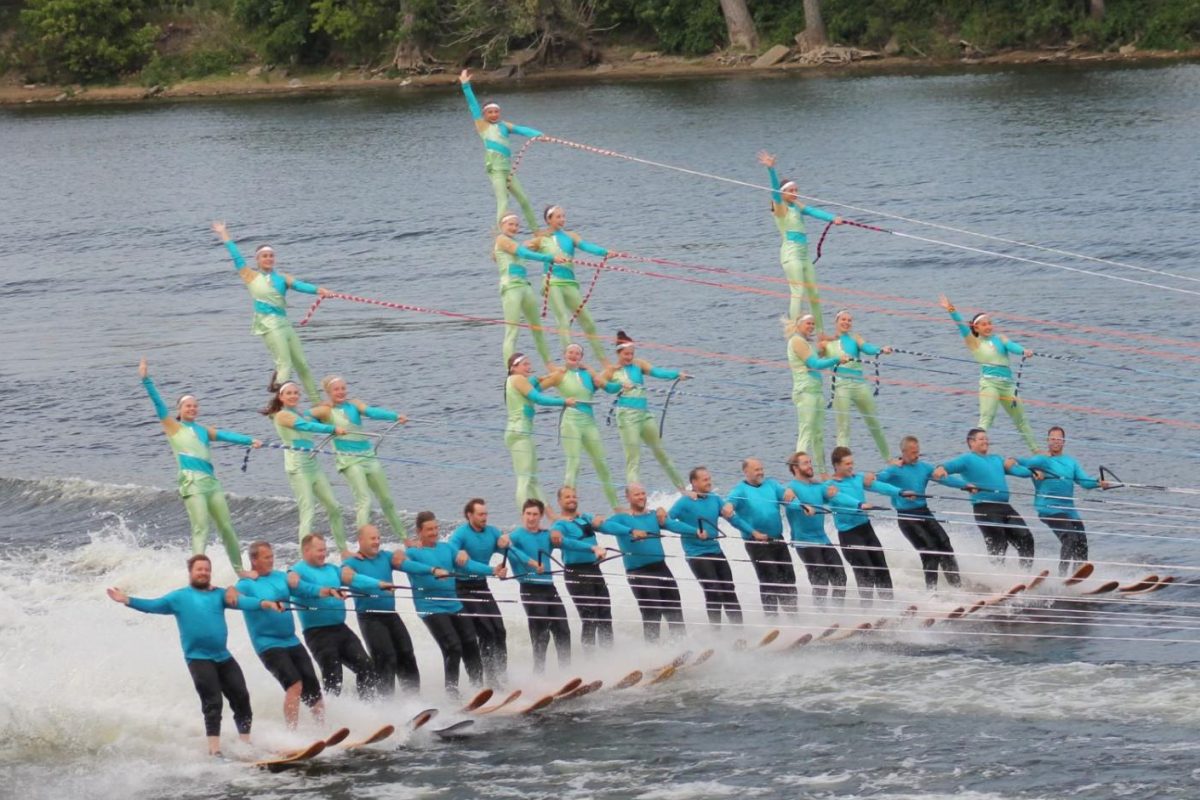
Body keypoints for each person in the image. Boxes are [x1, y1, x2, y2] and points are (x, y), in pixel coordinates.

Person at [107, 554, 279, 756]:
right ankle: (214, 751)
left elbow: (243, 602)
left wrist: (265, 603)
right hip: (198, 659)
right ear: (191, 572)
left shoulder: (219, 595)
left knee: (241, 697)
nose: (203, 573)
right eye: (199, 569)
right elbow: (153, 606)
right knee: (213, 703)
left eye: (207, 569)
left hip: (223, 656)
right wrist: (127, 600)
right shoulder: (178, 597)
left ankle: (245, 744)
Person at [139, 358, 260, 575]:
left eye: (195, 406)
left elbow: (226, 435)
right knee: (201, 528)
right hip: (192, 483)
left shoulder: (203, 430)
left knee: (227, 528)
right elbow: (158, 404)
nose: (192, 408)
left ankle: (240, 570)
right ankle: (196, 574)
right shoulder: (173, 427)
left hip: (212, 484)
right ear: (180, 409)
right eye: (188, 406)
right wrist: (146, 380)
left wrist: (249, 440)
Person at [212, 221, 330, 400]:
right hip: (268, 324)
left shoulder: (282, 277)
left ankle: (316, 402)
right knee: (285, 365)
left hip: (284, 324)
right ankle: (278, 406)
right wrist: (224, 234)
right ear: (258, 260)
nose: (268, 258)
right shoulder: (250, 275)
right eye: (265, 256)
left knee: (302, 364)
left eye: (271, 256)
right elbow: (237, 257)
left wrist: (318, 290)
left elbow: (299, 285)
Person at [236, 541, 338, 729]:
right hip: (268, 644)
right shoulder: (246, 584)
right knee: (295, 684)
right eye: (266, 557)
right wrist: (265, 603)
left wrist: (328, 591)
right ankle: (291, 734)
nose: (271, 560)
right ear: (254, 560)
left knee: (312, 686)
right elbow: (238, 601)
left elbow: (306, 589)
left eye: (272, 556)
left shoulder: (280, 577)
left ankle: (324, 730)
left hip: (291, 640)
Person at [343, 524, 445, 697]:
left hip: (391, 616)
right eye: (372, 538)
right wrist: (377, 584)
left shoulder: (386, 557)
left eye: (378, 538)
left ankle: (413, 700)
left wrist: (432, 570)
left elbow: (408, 565)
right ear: (360, 541)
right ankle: (387, 704)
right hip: (370, 618)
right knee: (386, 658)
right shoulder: (352, 562)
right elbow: (348, 577)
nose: (377, 542)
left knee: (407, 654)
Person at [405, 511, 502, 693]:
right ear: (419, 531)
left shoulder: (447, 548)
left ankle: (478, 690)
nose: (434, 532)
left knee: (471, 644)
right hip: (431, 608)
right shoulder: (412, 552)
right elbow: (405, 565)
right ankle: (452, 693)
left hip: (454, 605)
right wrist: (432, 570)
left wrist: (492, 570)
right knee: (453, 647)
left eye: (435, 528)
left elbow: (468, 565)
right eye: (429, 529)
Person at [311, 376, 409, 539]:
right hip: (349, 460)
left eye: (343, 388)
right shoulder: (325, 409)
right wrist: (330, 428)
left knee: (387, 500)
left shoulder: (354, 404)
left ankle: (404, 538)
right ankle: (363, 542)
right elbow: (306, 418)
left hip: (368, 457)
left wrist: (395, 416)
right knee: (365, 501)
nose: (341, 392)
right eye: (336, 389)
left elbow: (371, 412)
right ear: (328, 392)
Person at [939, 294, 1038, 453]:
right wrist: (951, 309)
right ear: (976, 327)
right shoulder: (974, 342)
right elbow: (961, 326)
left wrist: (1023, 351)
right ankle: (975, 450)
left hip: (1008, 385)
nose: (988, 326)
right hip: (989, 384)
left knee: (1021, 420)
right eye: (984, 324)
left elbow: (1012, 346)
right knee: (987, 419)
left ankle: (1036, 450)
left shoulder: (1001, 338)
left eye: (990, 323)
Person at [288, 533, 383, 698]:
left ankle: (367, 707)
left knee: (367, 666)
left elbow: (355, 579)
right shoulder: (297, 570)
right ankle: (330, 718)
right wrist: (324, 591)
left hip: (341, 629)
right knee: (333, 675)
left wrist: (379, 584)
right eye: (319, 550)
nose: (324, 554)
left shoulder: (331, 569)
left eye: (325, 550)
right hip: (317, 633)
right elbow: (295, 584)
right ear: (306, 550)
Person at [260, 380, 348, 550]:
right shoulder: (282, 415)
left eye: (296, 393)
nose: (294, 396)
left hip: (313, 466)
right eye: (289, 393)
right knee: (308, 511)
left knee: (335, 508)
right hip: (298, 468)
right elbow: (305, 425)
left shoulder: (301, 413)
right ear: (281, 397)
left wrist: (331, 406)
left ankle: (343, 550)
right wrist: (332, 429)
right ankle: (304, 556)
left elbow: (316, 415)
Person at [756, 151, 842, 325]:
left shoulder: (796, 206)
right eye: (791, 191)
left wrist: (833, 218)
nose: (795, 193)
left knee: (814, 294)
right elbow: (774, 192)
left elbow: (813, 211)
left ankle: (820, 332)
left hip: (804, 256)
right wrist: (771, 170)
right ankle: (794, 329)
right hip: (790, 254)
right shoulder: (780, 209)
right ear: (783, 193)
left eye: (796, 190)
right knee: (798, 292)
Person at [598, 330, 689, 491]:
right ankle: (634, 494)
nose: (629, 357)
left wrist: (677, 374)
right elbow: (602, 385)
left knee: (661, 453)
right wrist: (619, 386)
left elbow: (657, 372)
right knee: (633, 459)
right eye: (626, 354)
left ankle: (684, 490)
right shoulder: (612, 370)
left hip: (645, 415)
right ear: (618, 352)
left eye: (631, 354)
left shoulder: (639, 365)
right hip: (627, 417)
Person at [933, 428, 1036, 569]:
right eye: (981, 439)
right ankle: (996, 578)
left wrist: (1033, 472)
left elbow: (1019, 472)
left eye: (986, 438)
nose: (986, 441)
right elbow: (943, 470)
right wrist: (946, 472)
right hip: (985, 507)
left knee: (1026, 538)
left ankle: (1025, 574)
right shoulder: (967, 459)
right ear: (971, 442)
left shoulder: (997, 459)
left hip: (1005, 507)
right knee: (999, 543)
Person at [876, 436, 967, 591]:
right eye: (912, 453)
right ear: (903, 452)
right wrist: (899, 490)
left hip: (924, 512)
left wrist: (966, 485)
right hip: (907, 517)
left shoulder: (924, 467)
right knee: (930, 551)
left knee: (945, 544)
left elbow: (944, 479)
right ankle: (931, 593)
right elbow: (877, 481)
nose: (916, 455)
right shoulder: (894, 469)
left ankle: (957, 588)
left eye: (917, 452)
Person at [1018, 426, 1109, 575]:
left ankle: (1077, 576)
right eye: (1052, 439)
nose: (1056, 442)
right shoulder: (1041, 460)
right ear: (1047, 441)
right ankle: (1062, 576)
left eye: (1059, 439)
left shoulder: (1070, 462)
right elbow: (1018, 461)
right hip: (1049, 508)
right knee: (1070, 538)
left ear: (1064, 441)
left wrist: (1099, 482)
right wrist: (1033, 471)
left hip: (1069, 510)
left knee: (1081, 542)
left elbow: (1084, 481)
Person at [668, 467, 753, 626]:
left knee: (729, 591)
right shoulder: (684, 502)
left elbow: (733, 519)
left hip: (716, 551)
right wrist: (694, 531)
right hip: (697, 554)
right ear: (694, 482)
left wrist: (753, 532)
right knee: (713, 592)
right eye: (705, 479)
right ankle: (716, 634)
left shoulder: (714, 498)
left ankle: (740, 632)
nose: (709, 482)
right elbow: (666, 522)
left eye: (709, 478)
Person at [539, 343, 621, 510]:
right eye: (570, 352)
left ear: (581, 358)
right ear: (564, 354)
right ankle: (567, 508)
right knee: (574, 463)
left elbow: (612, 388)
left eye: (577, 353)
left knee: (602, 464)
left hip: (589, 422)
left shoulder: (588, 375)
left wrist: (592, 370)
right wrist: (557, 399)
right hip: (570, 421)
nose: (574, 355)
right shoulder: (559, 375)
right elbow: (533, 391)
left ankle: (616, 507)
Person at [824, 446, 910, 603]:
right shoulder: (830, 486)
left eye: (852, 463)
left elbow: (879, 486)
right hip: (849, 535)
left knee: (881, 568)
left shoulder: (857, 478)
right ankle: (867, 610)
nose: (851, 466)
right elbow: (840, 498)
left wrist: (900, 492)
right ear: (837, 465)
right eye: (847, 464)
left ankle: (889, 606)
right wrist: (859, 504)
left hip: (866, 529)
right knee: (866, 572)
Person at [459, 69, 542, 229]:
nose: (494, 114)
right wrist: (466, 85)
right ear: (484, 114)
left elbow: (522, 129)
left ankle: (536, 231)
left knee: (524, 200)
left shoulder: (505, 126)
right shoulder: (482, 125)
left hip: (508, 170)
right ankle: (499, 234)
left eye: (496, 111)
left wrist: (539, 135)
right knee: (503, 200)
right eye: (490, 112)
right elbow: (472, 105)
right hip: (495, 169)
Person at [609, 484, 693, 641]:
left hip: (661, 569)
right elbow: (604, 526)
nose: (641, 497)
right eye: (636, 494)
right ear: (628, 498)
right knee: (652, 613)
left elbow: (673, 525)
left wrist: (696, 531)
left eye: (643, 493)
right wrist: (630, 530)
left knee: (675, 610)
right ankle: (652, 653)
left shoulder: (654, 515)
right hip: (639, 573)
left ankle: (682, 645)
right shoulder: (621, 518)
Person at [533, 205, 610, 363]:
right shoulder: (542, 239)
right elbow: (523, 251)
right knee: (563, 318)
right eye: (558, 217)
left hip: (569, 283)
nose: (562, 220)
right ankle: (570, 361)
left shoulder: (571, 235)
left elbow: (586, 246)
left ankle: (604, 361)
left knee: (588, 320)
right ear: (549, 220)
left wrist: (605, 252)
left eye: (563, 216)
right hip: (552, 282)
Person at [550, 486, 623, 650]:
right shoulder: (559, 524)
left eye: (574, 496)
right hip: (576, 574)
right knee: (589, 618)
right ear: (560, 501)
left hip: (594, 570)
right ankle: (590, 661)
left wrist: (630, 531)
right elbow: (559, 537)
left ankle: (610, 656)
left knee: (605, 615)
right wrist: (592, 548)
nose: (571, 499)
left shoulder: (585, 518)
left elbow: (607, 526)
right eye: (567, 497)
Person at [725, 458, 799, 616]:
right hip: (756, 542)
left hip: (777, 538)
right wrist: (730, 507)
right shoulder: (740, 490)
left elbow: (787, 498)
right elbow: (728, 509)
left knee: (788, 577)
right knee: (770, 579)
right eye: (757, 469)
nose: (761, 472)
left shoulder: (771, 484)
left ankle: (793, 616)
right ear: (746, 472)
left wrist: (791, 494)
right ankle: (772, 619)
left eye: (761, 468)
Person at [448, 498, 511, 684]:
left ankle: (502, 676)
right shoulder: (460, 535)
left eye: (486, 514)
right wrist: (457, 552)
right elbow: (453, 551)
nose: (484, 517)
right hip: (463, 589)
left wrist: (509, 542)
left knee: (499, 630)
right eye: (480, 514)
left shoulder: (492, 532)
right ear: (470, 515)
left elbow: (511, 550)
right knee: (486, 632)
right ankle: (490, 679)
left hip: (482, 587)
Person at [508, 498, 573, 672]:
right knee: (540, 634)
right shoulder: (516, 536)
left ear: (541, 516)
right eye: (528, 514)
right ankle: (539, 674)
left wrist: (593, 549)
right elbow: (506, 548)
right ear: (522, 515)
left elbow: (569, 543)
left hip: (549, 588)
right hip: (530, 588)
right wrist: (529, 563)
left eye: (535, 514)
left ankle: (566, 672)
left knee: (563, 631)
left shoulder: (547, 535)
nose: (531, 518)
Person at [504, 353, 574, 512]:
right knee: (524, 479)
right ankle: (526, 517)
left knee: (533, 478)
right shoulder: (517, 379)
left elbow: (534, 386)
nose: (529, 367)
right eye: (525, 364)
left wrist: (548, 376)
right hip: (519, 432)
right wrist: (564, 401)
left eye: (529, 364)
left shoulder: (518, 381)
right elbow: (538, 398)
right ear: (513, 367)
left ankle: (550, 516)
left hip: (520, 432)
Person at [822, 309, 893, 461]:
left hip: (860, 385)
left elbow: (867, 348)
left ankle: (889, 459)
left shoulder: (855, 338)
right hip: (841, 386)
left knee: (874, 422)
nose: (846, 322)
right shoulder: (827, 343)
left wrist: (881, 350)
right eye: (843, 319)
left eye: (849, 320)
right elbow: (815, 361)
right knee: (843, 428)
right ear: (836, 322)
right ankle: (841, 465)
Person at [495, 212, 563, 367]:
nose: (514, 228)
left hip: (525, 288)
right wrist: (549, 258)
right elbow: (523, 253)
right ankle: (510, 371)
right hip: (511, 288)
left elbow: (530, 248)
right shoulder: (501, 240)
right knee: (512, 331)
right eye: (510, 224)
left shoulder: (516, 242)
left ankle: (549, 365)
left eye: (517, 225)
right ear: (502, 226)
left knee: (538, 328)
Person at [783, 452, 848, 607]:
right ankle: (821, 615)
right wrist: (803, 506)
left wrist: (854, 502)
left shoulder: (817, 486)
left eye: (810, 462)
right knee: (821, 581)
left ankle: (839, 613)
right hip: (804, 542)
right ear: (795, 468)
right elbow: (789, 503)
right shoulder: (791, 488)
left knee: (840, 577)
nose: (810, 465)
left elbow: (832, 494)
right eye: (805, 463)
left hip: (822, 539)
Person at [786, 314, 848, 470]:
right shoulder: (796, 341)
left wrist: (822, 350)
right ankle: (799, 468)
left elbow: (815, 359)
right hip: (805, 392)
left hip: (816, 391)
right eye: (808, 323)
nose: (811, 326)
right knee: (805, 432)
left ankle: (822, 471)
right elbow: (814, 364)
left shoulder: (806, 343)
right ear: (799, 324)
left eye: (813, 323)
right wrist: (836, 359)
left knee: (818, 435)